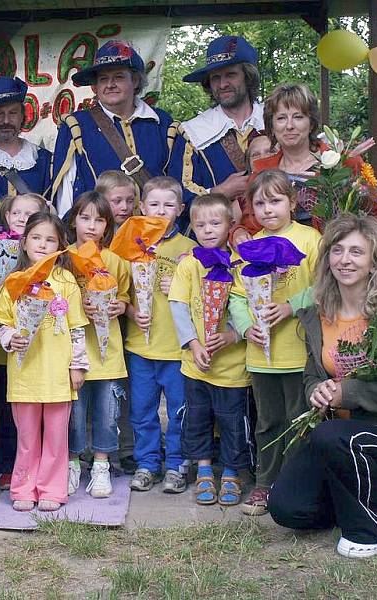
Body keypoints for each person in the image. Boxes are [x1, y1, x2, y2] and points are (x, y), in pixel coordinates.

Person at [269, 214, 377, 558]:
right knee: (286, 507)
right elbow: (312, 374)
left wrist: (348, 392)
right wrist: (317, 390)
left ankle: (375, 524)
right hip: (336, 436)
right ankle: (352, 503)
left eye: (357, 252)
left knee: (331, 436)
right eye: (337, 250)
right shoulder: (317, 313)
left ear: (375, 261)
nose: (345, 260)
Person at [228, 169, 322, 516]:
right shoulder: (247, 247)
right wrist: (244, 326)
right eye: (260, 203)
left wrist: (290, 306)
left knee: (300, 420)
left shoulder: (310, 239)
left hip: (300, 352)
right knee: (268, 422)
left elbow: (325, 286)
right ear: (250, 208)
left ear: (292, 202)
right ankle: (264, 484)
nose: (268, 209)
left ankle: (297, 484)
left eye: (276, 200)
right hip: (262, 355)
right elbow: (236, 296)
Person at [0, 212, 89, 511]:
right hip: (25, 376)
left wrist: (77, 366)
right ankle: (23, 488)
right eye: (36, 238)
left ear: (61, 245)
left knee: (56, 438)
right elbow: (1, 322)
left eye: (51, 239)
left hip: (58, 375)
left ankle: (52, 488)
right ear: (23, 243)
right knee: (26, 438)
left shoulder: (66, 281)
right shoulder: (13, 281)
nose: (43, 244)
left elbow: (76, 328)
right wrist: (11, 338)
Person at [231, 83, 377, 246]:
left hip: (333, 263)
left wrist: (359, 247)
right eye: (281, 118)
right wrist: (238, 233)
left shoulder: (345, 162)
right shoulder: (261, 170)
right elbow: (250, 224)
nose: (289, 126)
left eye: (298, 117)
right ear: (271, 126)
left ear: (311, 123)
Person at [168, 193, 251, 506]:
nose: (207, 229)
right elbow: (177, 304)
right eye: (199, 224)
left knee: (232, 420)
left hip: (232, 368)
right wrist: (192, 343)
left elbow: (248, 307)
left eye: (215, 223)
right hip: (196, 364)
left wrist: (232, 336)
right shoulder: (189, 265)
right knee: (197, 418)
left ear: (230, 224)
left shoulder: (240, 264)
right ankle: (203, 470)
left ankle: (230, 472)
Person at [51, 40, 179, 217]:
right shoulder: (77, 125)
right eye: (103, 79)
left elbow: (175, 182)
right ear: (95, 86)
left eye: (118, 77)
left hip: (154, 235)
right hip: (99, 235)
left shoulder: (163, 124)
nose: (110, 84)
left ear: (135, 81)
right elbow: (67, 188)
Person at [125, 176, 196, 493]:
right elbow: (119, 294)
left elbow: (207, 301)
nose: (161, 210)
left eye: (169, 205)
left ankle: (178, 463)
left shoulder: (191, 250)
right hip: (141, 347)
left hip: (178, 350)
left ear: (181, 209)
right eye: (153, 204)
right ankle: (147, 463)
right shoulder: (130, 245)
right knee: (142, 411)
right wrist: (130, 312)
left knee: (180, 411)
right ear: (141, 208)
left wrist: (182, 287)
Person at [0, 193, 49, 490]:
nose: (21, 218)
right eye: (15, 212)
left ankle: (42, 464)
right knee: (5, 412)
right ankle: (7, 466)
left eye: (29, 214)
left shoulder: (48, 253)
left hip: (44, 349)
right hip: (2, 349)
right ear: (5, 217)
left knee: (39, 410)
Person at [66, 192, 131, 498]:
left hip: (109, 354)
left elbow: (126, 295)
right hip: (73, 353)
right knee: (74, 413)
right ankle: (74, 462)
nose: (91, 226)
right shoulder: (63, 257)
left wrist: (120, 305)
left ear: (108, 224)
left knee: (107, 412)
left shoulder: (115, 261)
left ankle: (101, 465)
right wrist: (79, 304)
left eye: (99, 219)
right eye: (85, 217)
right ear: (74, 220)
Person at [171, 35, 265, 232]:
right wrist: (219, 192)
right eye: (215, 78)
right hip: (215, 242)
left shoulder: (275, 122)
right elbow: (177, 194)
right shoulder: (192, 132)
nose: (222, 85)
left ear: (248, 77)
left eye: (230, 75)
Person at [94, 169, 138, 473]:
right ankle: (91, 448)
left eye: (129, 200)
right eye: (116, 201)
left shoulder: (140, 232)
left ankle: (128, 448)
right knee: (99, 386)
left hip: (136, 322)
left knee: (127, 388)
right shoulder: (95, 239)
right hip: (102, 324)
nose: (123, 207)